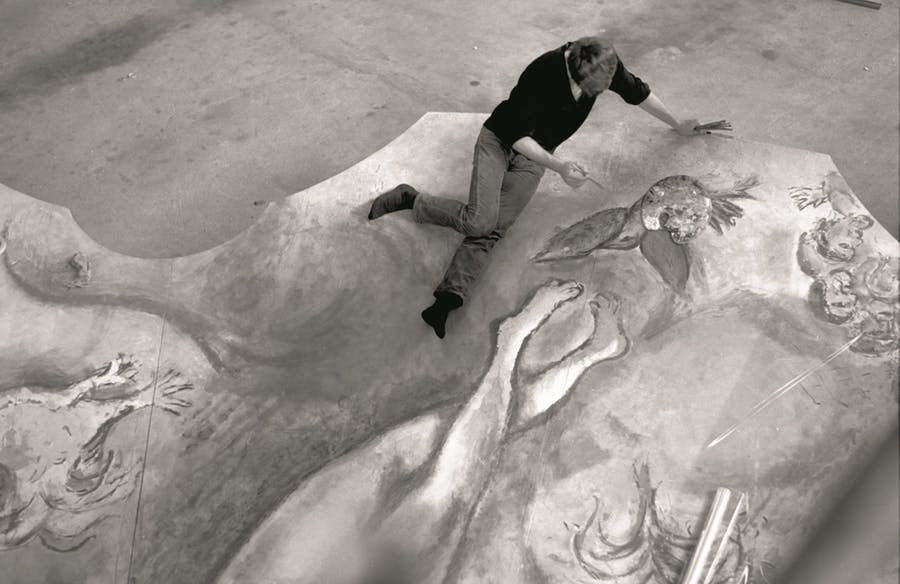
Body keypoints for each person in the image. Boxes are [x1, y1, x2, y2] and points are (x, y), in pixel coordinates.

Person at [368, 36, 702, 338]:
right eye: (588, 89)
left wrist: (678, 124)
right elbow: (515, 134)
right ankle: (412, 199)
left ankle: (447, 299)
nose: (592, 95)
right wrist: (560, 168)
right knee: (479, 221)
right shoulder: (542, 74)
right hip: (500, 141)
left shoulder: (603, 62)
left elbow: (638, 92)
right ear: (574, 68)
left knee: (496, 225)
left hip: (535, 156)